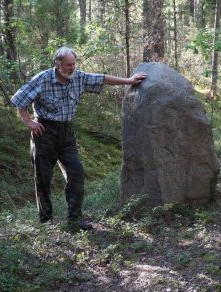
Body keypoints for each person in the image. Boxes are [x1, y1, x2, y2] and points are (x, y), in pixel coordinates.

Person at [10, 46, 147, 231]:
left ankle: (75, 219)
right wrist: (29, 122)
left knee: (76, 172)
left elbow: (102, 79)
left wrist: (129, 81)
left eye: (74, 64)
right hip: (44, 133)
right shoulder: (42, 79)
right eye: (68, 65)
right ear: (57, 65)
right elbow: (20, 100)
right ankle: (45, 220)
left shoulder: (79, 77)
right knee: (43, 178)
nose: (71, 68)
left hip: (66, 133)